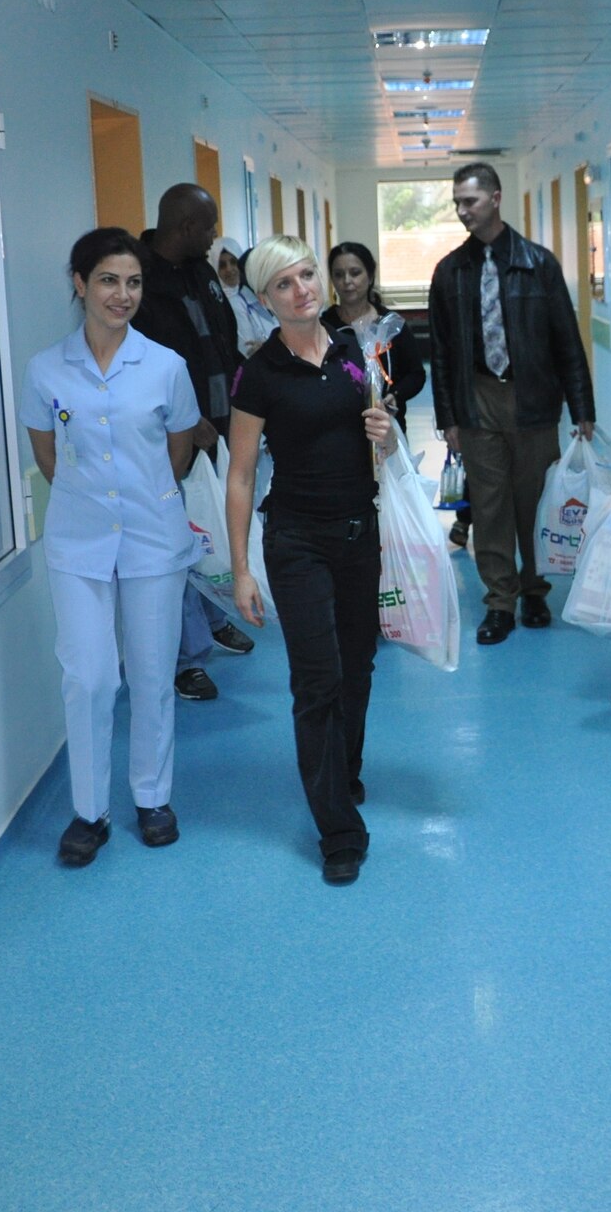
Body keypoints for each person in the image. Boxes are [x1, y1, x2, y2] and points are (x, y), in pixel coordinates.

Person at [21, 228, 203, 867]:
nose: (122, 295)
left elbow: (179, 448)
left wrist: (145, 497)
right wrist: (97, 503)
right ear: (80, 284)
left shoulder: (166, 366)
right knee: (89, 677)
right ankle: (89, 812)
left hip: (154, 538)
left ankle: (152, 798)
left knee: (151, 674)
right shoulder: (45, 369)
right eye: (107, 280)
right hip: (78, 543)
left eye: (133, 282)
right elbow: (48, 457)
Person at [224, 236, 397, 887]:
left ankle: (342, 772)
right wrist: (241, 569)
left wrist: (387, 435)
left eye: (305, 276)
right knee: (317, 678)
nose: (301, 290)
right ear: (265, 300)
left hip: (360, 533)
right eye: (284, 284)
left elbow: (381, 443)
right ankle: (338, 831)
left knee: (358, 666)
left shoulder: (355, 352)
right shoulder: (259, 373)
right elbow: (241, 475)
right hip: (296, 540)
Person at [427, 162, 596, 645]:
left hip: (532, 399)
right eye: (457, 203)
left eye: (471, 201)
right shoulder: (450, 272)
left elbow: (566, 340)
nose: (463, 211)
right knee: (489, 505)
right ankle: (500, 601)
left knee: (532, 503)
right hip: (477, 399)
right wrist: (448, 417)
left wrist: (582, 408)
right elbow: (440, 351)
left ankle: (534, 591)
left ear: (496, 198)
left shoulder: (538, 264)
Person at [134, 183, 255, 702]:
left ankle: (215, 616)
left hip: (221, 429)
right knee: (180, 543)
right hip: (171, 440)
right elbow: (139, 367)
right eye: (208, 227)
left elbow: (222, 341)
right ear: (186, 227)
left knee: (211, 531)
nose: (214, 237)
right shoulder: (142, 280)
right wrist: (185, 421)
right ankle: (188, 661)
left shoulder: (202, 273)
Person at [322, 241, 427, 428]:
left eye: (355, 273)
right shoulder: (324, 326)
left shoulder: (391, 324)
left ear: (370, 276)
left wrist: (395, 395)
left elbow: (415, 374)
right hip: (339, 428)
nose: (347, 281)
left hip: (387, 426)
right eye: (338, 275)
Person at [211, 236, 277, 357]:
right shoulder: (226, 303)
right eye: (222, 265)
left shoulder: (249, 293)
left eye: (233, 262)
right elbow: (248, 350)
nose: (229, 269)